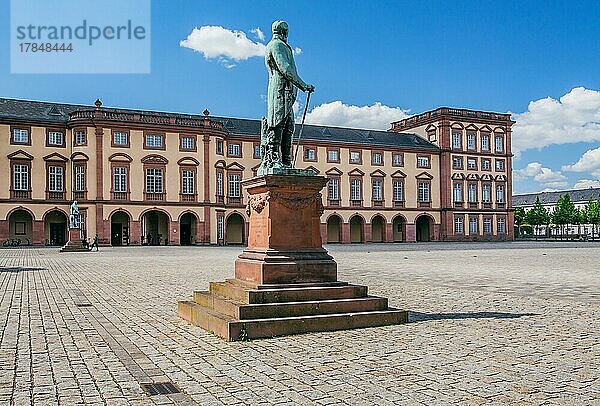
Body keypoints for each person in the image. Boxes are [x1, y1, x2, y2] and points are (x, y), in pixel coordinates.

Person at [259, 20, 314, 173]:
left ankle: (286, 161)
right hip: (280, 89)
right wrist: (303, 84)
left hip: (287, 92)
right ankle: (275, 158)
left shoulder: (283, 46)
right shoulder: (276, 45)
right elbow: (285, 68)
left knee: (289, 126)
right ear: (284, 32)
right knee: (278, 122)